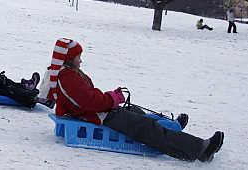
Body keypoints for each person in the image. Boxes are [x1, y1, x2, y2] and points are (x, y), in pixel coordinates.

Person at [53, 38, 224, 162]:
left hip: (99, 112)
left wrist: (110, 98)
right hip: (97, 115)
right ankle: (200, 149)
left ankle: (174, 129)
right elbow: (89, 102)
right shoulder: (67, 76)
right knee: (146, 128)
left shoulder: (69, 74)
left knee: (137, 115)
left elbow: (86, 98)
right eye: (78, 57)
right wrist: (111, 98)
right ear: (69, 58)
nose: (81, 60)